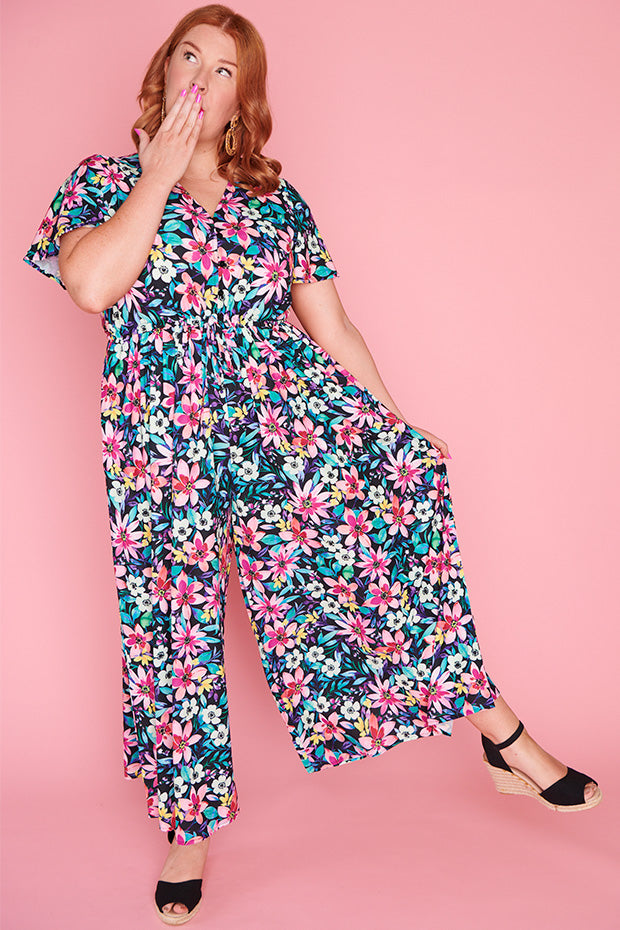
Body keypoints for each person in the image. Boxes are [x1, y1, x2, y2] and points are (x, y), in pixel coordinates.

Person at [22, 4, 601, 925]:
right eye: (188, 56)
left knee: (378, 549)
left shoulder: (276, 201)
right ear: (164, 68)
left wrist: (395, 423)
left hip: (284, 423)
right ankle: (187, 829)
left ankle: (501, 731)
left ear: (242, 100)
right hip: (158, 439)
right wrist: (156, 174)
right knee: (171, 625)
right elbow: (92, 286)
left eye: (222, 70)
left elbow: (332, 325)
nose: (198, 79)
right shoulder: (100, 182)